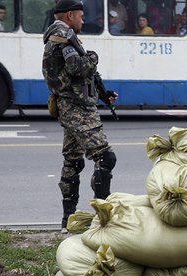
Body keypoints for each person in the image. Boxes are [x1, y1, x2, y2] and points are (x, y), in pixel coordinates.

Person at [42, 0, 119, 233]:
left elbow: (82, 74)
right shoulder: (64, 35)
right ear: (69, 15)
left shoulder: (60, 34)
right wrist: (94, 57)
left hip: (72, 105)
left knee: (73, 161)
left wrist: (104, 94)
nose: (83, 20)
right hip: (77, 108)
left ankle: (68, 220)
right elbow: (77, 67)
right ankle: (102, 219)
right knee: (106, 158)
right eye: (81, 16)